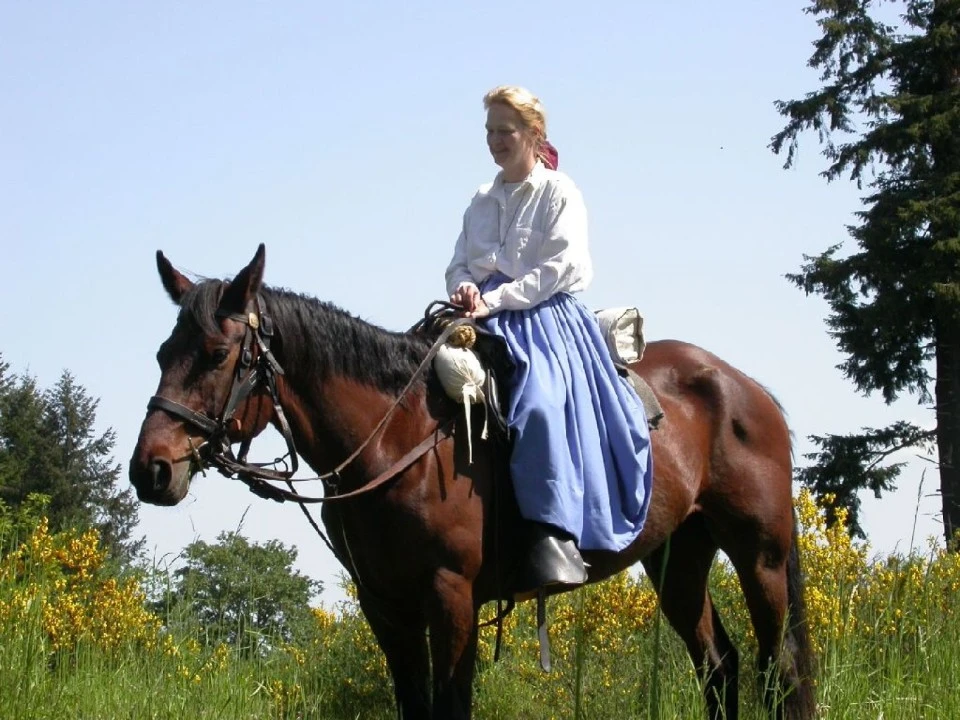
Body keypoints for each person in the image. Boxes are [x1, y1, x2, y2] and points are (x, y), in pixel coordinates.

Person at [445, 85, 654, 593]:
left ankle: (552, 535)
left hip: (544, 318)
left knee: (539, 401)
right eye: (490, 131)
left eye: (505, 131)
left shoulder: (560, 191)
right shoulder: (479, 199)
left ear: (534, 135)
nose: (495, 140)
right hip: (480, 315)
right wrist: (464, 287)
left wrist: (494, 299)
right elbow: (456, 263)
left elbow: (560, 268)